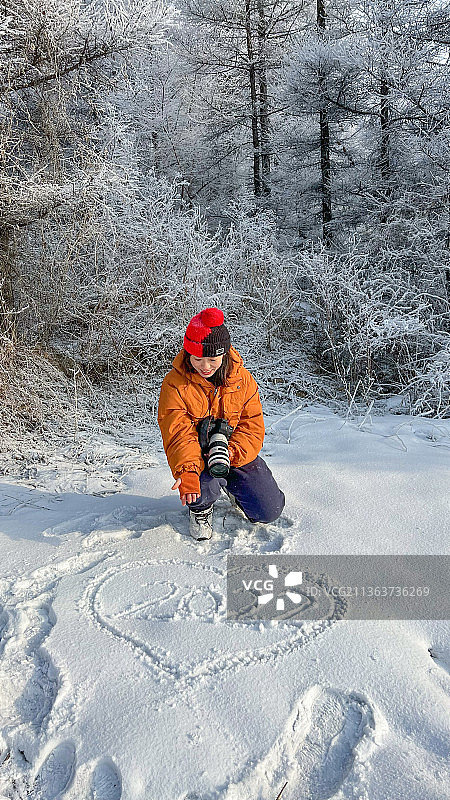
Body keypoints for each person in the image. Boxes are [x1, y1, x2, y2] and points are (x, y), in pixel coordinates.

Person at [157, 308, 285, 540]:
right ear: (188, 354)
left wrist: (229, 454)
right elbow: (177, 432)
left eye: (212, 360)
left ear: (223, 355)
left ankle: (234, 490)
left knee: (269, 511)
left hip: (235, 452)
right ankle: (201, 509)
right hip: (197, 455)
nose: (205, 366)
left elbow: (252, 426)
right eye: (198, 359)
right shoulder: (174, 384)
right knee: (197, 488)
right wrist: (187, 470)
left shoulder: (242, 380)